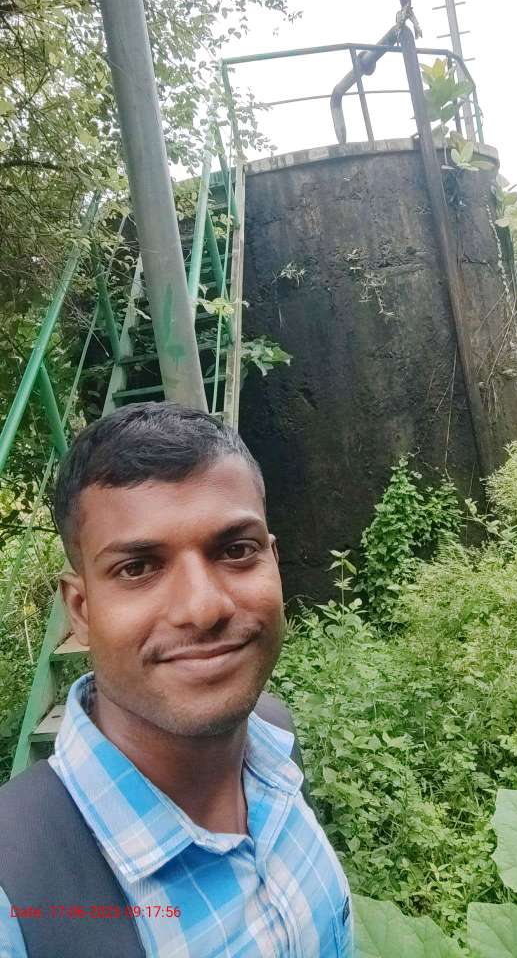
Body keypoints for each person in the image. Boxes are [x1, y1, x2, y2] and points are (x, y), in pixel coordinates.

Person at [0, 403, 354, 956]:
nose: (203, 608)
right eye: (137, 568)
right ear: (82, 609)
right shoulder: (16, 895)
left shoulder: (276, 743)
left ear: (273, 562)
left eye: (236, 551)